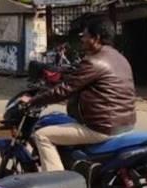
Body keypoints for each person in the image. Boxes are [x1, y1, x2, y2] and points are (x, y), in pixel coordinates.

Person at [24, 19, 136, 172]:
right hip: (126, 124)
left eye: (85, 35)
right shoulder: (119, 58)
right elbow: (76, 77)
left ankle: (58, 183)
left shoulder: (94, 62)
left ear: (96, 38)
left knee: (42, 135)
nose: (82, 39)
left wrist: (33, 100)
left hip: (101, 128)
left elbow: (64, 90)